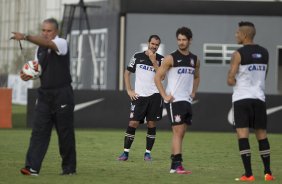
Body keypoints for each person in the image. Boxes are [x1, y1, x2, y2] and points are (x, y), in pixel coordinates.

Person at [11, 18, 76, 176]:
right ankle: (32, 167)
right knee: (39, 131)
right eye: (43, 30)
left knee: (65, 133)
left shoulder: (62, 43)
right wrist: (28, 75)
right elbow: (38, 69)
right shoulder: (39, 49)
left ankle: (69, 169)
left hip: (62, 93)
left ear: (56, 32)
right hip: (44, 94)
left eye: (49, 31)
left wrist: (26, 37)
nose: (45, 34)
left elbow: (49, 44)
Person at [227, 21, 275, 181]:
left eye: (237, 33)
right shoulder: (265, 52)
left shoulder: (238, 54)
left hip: (242, 99)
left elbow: (230, 79)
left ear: (245, 35)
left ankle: (248, 174)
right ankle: (268, 173)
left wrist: (232, 79)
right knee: (262, 135)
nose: (236, 35)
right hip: (259, 99)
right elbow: (265, 75)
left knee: (243, 135)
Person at [154, 27, 200, 174]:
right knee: (178, 131)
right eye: (179, 39)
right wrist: (164, 96)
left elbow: (197, 76)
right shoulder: (170, 58)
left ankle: (174, 165)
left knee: (180, 133)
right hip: (174, 100)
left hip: (186, 100)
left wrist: (193, 91)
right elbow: (157, 77)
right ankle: (178, 165)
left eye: (184, 40)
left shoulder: (195, 59)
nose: (181, 42)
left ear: (190, 40)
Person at [117, 35, 164, 161]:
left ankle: (147, 153)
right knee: (133, 123)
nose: (154, 46)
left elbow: (162, 77)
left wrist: (154, 61)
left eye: (156, 45)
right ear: (148, 43)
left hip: (155, 96)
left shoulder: (161, 59)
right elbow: (127, 73)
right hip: (139, 96)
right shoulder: (137, 56)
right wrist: (129, 90)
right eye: (152, 43)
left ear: (158, 46)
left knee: (151, 123)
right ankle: (125, 153)